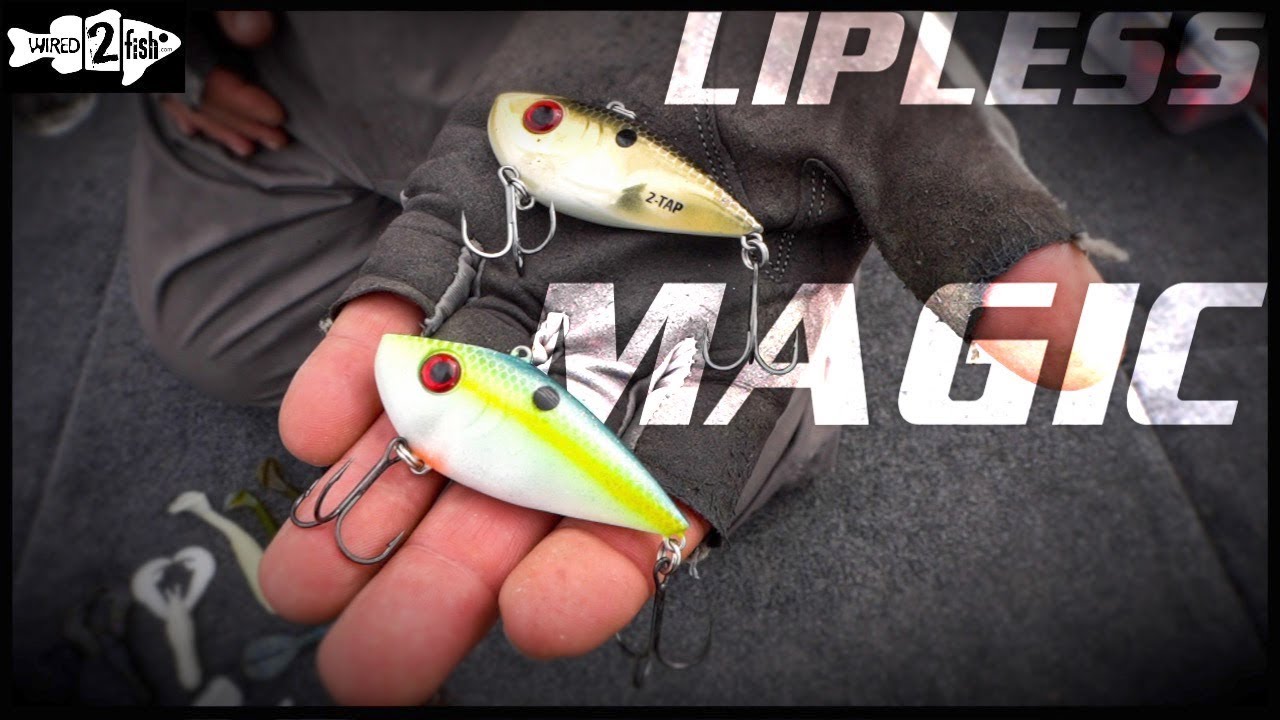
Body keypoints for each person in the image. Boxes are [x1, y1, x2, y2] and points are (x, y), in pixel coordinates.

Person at [126, 11, 1107, 704]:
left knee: (708, 366)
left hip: (613, 49)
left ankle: (767, 356)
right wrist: (139, 47)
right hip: (279, 76)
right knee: (209, 332)